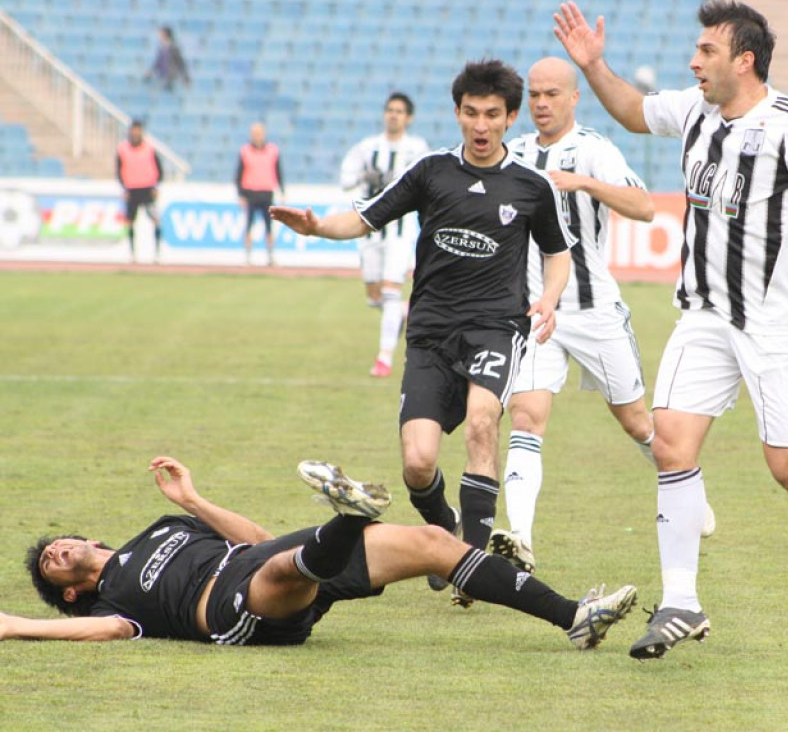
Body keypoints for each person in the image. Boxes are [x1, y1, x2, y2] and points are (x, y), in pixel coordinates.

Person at [554, 0, 788, 659]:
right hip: (703, 313)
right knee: (671, 444)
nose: (693, 61)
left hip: (774, 323)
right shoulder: (695, 111)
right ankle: (682, 603)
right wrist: (592, 66)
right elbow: (633, 111)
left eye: (707, 51)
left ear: (745, 61)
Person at [271, 60, 576, 608]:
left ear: (510, 118)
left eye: (492, 115)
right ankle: (445, 522)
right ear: (457, 113)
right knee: (417, 463)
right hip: (431, 332)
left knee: (483, 423)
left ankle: (470, 567)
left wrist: (549, 300)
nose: (480, 125)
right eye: (470, 113)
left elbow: (558, 254)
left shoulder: (531, 186)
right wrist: (317, 227)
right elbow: (364, 218)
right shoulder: (431, 171)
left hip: (495, 328)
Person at [0, 456, 637, 648]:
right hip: (229, 607)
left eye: (58, 542)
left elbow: (251, 538)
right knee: (287, 567)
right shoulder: (109, 601)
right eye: (51, 563)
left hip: (252, 559)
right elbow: (109, 631)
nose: (58, 549)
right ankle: (346, 518)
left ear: (91, 539)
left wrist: (193, 500)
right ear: (71, 592)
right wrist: (14, 626)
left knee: (434, 543)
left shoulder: (162, 527)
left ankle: (575, 618)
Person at [487, 56, 715, 577]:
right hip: (537, 311)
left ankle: (691, 494)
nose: (542, 104)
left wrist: (584, 183)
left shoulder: (593, 149)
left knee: (636, 422)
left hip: (595, 314)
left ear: (573, 98)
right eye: (535, 95)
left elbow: (643, 206)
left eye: (552, 94)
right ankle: (521, 537)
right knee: (525, 416)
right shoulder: (513, 153)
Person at [339, 92, 431, 376]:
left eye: (399, 111)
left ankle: (384, 359)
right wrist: (363, 176)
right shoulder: (367, 147)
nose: (393, 115)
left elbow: (427, 183)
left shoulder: (417, 149)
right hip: (370, 232)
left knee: (391, 291)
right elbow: (345, 179)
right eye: (390, 110)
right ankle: (402, 313)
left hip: (400, 233)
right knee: (375, 297)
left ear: (409, 118)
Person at [236, 122, 285, 266]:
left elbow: (278, 172)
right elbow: (238, 175)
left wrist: (282, 191)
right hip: (250, 193)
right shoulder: (245, 151)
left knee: (269, 227)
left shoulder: (272, 151)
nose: (257, 136)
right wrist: (241, 194)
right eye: (254, 133)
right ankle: (248, 256)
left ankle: (270, 256)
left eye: (259, 133)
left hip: (267, 193)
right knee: (249, 226)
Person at [116, 119, 163, 263]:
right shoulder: (123, 149)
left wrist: (156, 187)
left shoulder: (149, 148)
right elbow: (119, 170)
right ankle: (132, 254)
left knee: (155, 220)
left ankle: (157, 254)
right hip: (131, 189)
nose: (135, 134)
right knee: (130, 222)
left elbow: (159, 169)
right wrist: (124, 188)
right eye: (133, 131)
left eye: (138, 131)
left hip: (148, 189)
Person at [143, 26, 190, 91]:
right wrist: (150, 71)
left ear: (165, 35)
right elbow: (158, 63)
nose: (159, 36)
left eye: (161, 34)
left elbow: (181, 63)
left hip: (171, 78)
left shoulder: (174, 47)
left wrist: (186, 78)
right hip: (162, 76)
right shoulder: (161, 48)